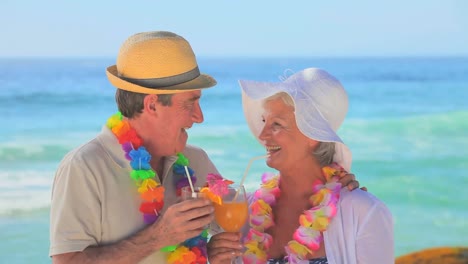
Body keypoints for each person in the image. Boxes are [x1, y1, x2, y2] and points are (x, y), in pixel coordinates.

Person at [49, 31, 360, 264]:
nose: (200, 117)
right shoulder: (85, 167)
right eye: (191, 104)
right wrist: (158, 237)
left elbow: (249, 214)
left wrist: (330, 182)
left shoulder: (195, 161)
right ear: (152, 104)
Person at [207, 68, 394, 264]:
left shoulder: (363, 211)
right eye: (264, 121)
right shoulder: (247, 209)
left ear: (312, 135)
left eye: (277, 124)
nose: (262, 136)